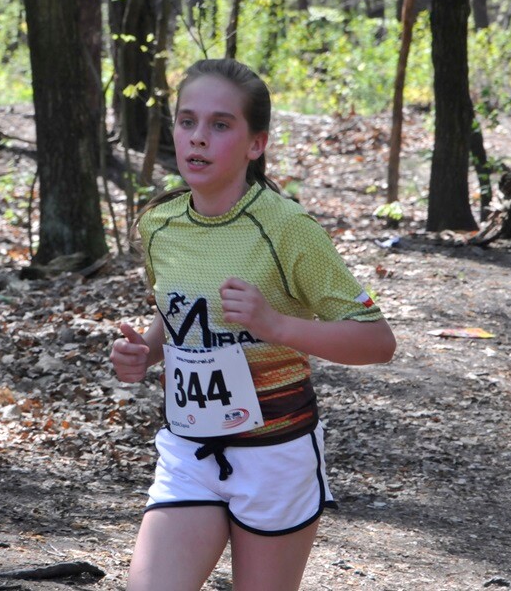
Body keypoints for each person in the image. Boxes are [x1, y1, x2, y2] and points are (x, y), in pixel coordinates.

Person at [110, 58, 397, 591]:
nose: (198, 138)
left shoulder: (288, 228)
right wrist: (145, 352)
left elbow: (377, 342)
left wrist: (276, 325)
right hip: (190, 450)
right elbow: (179, 312)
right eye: (187, 121)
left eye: (220, 125)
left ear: (255, 144)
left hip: (275, 454)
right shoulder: (159, 224)